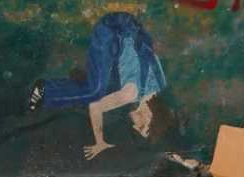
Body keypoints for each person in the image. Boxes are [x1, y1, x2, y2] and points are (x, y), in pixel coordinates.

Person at [26, 12, 167, 160]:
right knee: (94, 92)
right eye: (142, 127)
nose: (134, 126)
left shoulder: (160, 86)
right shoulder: (131, 94)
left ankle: (79, 80)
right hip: (112, 29)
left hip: (128, 27)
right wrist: (100, 141)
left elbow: (147, 51)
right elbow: (95, 107)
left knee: (106, 86)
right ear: (150, 117)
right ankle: (44, 90)